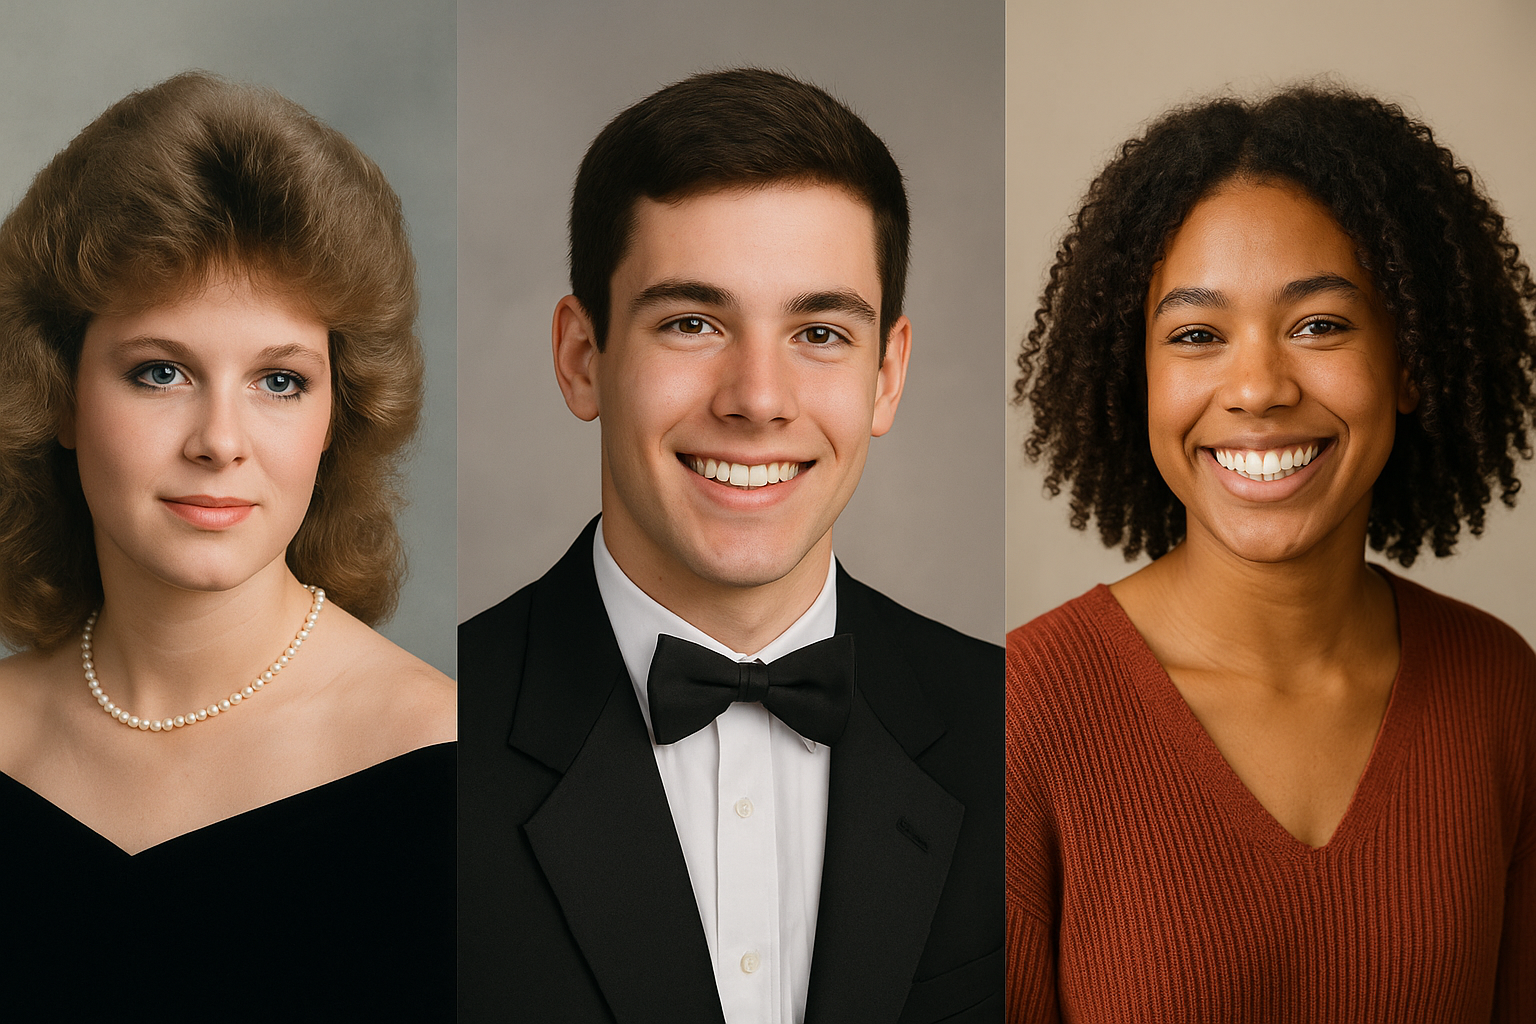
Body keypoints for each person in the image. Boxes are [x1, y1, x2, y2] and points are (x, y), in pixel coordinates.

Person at [459, 68, 1002, 1022]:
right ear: (582, 358)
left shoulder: (1023, 732)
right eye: (692, 323)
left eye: (820, 332)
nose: (757, 398)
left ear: (888, 375)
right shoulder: (422, 743)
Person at [1006, 86, 1536, 1021]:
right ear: (1138, 379)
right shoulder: (1021, 712)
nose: (1255, 387)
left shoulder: (1501, 691)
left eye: (1319, 325)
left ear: (1410, 360)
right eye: (1197, 336)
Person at [0, 72, 456, 1019]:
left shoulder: (449, 767)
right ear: (59, 397)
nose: (219, 439)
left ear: (340, 414)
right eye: (159, 372)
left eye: (279, 382)